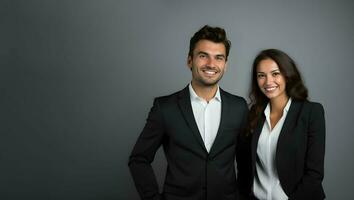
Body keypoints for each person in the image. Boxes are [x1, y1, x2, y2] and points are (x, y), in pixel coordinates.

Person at [128, 25, 249, 200]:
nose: (211, 64)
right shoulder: (165, 108)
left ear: (225, 65)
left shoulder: (239, 107)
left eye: (218, 58)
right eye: (203, 56)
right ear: (190, 61)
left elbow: (246, 163)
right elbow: (139, 159)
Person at [246, 49, 326, 200]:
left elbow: (314, 174)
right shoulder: (253, 114)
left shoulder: (311, 112)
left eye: (275, 74)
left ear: (288, 75)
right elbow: (245, 167)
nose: (268, 81)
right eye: (261, 76)